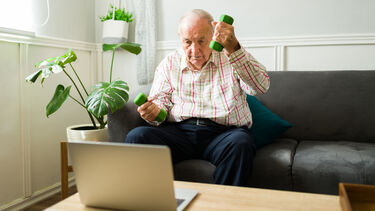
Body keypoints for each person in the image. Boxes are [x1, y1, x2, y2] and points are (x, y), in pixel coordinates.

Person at [126, 9, 270, 186]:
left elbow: (261, 86)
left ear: (213, 36)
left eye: (201, 41)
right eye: (187, 42)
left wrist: (234, 49)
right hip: (180, 132)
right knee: (138, 135)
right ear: (180, 39)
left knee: (241, 143)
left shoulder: (232, 57)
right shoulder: (170, 63)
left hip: (223, 134)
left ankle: (223, 204)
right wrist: (155, 112)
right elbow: (160, 102)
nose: (195, 50)